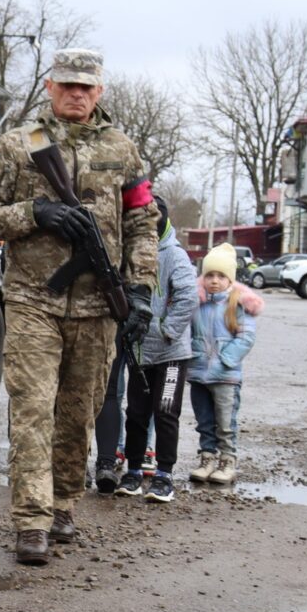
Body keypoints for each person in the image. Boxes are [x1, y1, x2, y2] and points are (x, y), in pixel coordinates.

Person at [0, 48, 158, 566]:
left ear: (100, 92)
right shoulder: (19, 144)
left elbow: (143, 223)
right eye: (67, 84)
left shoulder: (123, 149)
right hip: (33, 299)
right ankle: (32, 519)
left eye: (86, 87)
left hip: (98, 305)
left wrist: (141, 289)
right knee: (32, 410)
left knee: (78, 414)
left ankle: (64, 503)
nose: (76, 93)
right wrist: (35, 213)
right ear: (50, 86)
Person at [111, 195, 198, 502]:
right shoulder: (131, 253)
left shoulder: (174, 255)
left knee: (165, 412)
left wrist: (166, 330)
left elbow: (188, 296)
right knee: (136, 413)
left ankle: (164, 476)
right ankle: (133, 471)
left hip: (171, 353)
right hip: (139, 352)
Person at [189, 244, 259, 486]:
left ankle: (227, 460)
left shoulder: (237, 304)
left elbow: (246, 337)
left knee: (226, 422)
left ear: (230, 279)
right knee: (204, 422)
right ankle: (207, 458)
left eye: (221, 276)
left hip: (226, 377)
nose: (214, 281)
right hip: (198, 374)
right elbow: (187, 333)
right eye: (209, 275)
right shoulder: (197, 303)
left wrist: (225, 360)